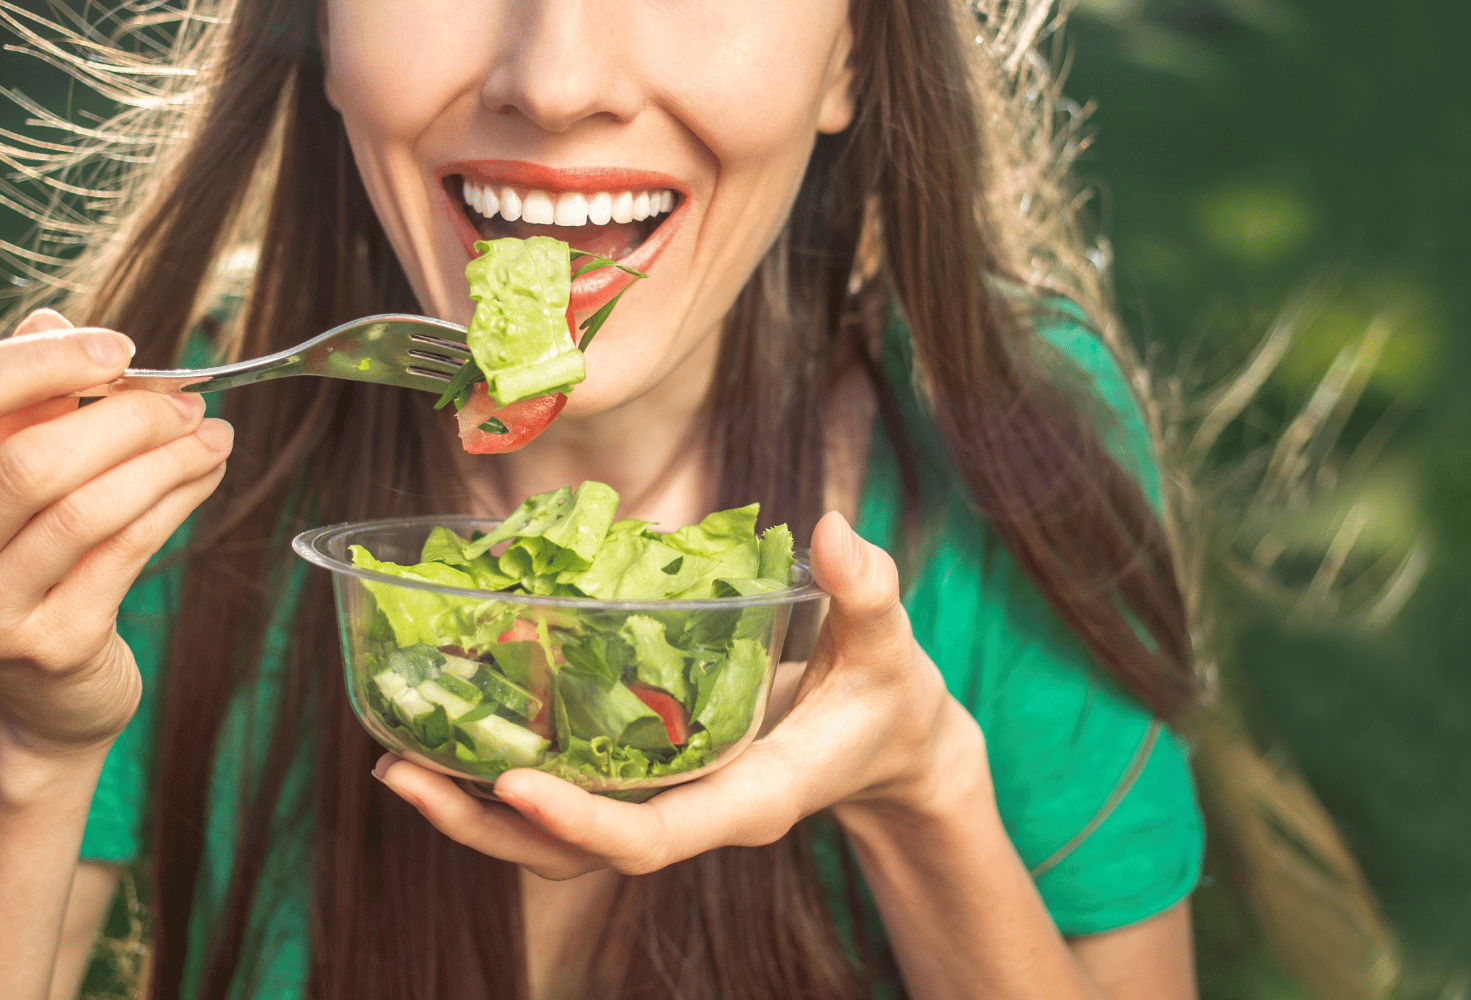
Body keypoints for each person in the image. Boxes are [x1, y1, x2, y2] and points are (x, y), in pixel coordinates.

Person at [0, 1, 1203, 998]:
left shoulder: (1001, 437)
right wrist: (28, 750)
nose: (559, 78)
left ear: (852, 49)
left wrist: (923, 792)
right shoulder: (161, 464)